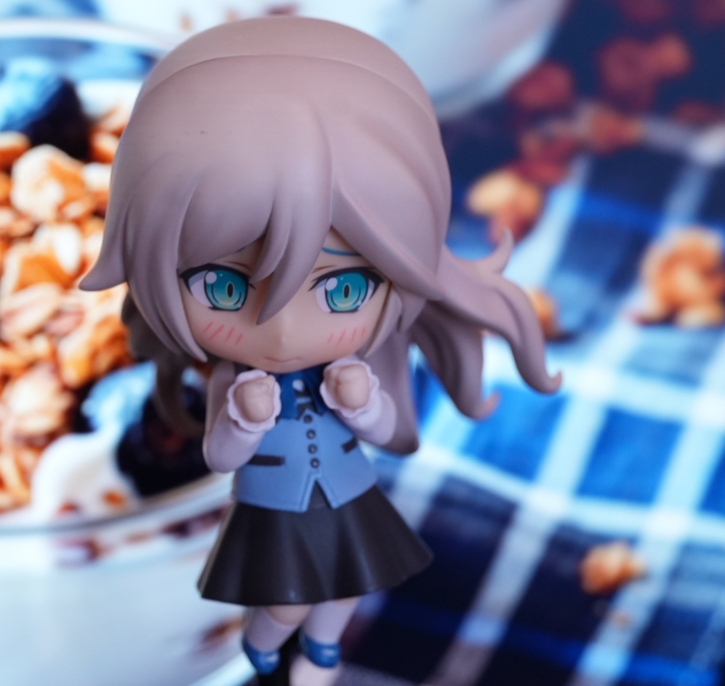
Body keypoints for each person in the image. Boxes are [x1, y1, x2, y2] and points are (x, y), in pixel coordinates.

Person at [80, 16, 559, 677]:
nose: (281, 332)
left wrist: (365, 408)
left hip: (344, 490)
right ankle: (265, 646)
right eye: (222, 287)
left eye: (343, 290)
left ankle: (322, 645)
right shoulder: (234, 383)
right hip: (274, 504)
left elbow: (383, 429)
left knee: (349, 584)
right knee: (283, 599)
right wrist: (243, 422)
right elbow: (219, 455)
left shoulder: (348, 365)